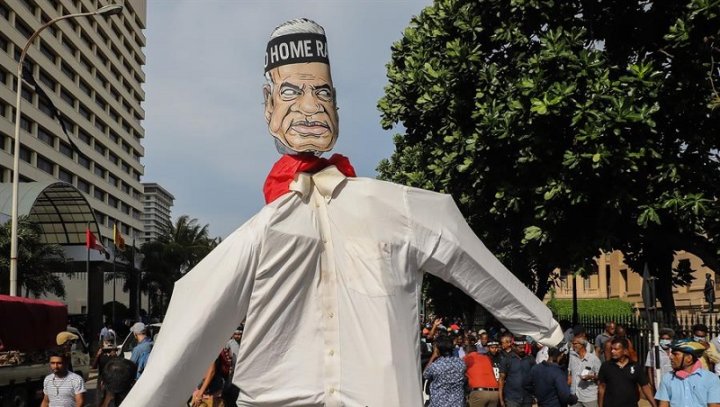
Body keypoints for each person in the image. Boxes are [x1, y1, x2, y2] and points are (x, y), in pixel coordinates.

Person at [121, 18, 563, 407]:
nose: (310, 107)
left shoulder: (394, 207)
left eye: (322, 93)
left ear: (336, 106)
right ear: (269, 107)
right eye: (291, 93)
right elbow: (194, 315)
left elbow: (461, 247)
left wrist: (539, 324)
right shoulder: (261, 233)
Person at [655, 339, 720, 407]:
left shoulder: (711, 379)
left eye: (675, 354)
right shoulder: (667, 378)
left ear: (689, 358)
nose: (670, 357)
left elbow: (714, 405)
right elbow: (663, 405)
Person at [598, 338, 657, 407]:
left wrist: (654, 405)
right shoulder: (606, 366)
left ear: (625, 351)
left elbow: (645, 387)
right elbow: (601, 388)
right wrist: (600, 405)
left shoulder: (635, 366)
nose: (612, 351)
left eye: (616, 349)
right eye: (611, 349)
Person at [423, 335, 466, 407]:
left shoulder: (436, 366)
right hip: (458, 403)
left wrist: (433, 356)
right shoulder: (461, 363)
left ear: (438, 349)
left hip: (439, 403)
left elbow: (425, 374)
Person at [499, 337, 535, 407]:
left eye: (524, 348)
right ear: (513, 346)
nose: (523, 350)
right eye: (520, 348)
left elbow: (535, 377)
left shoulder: (530, 359)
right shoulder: (506, 360)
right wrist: (501, 399)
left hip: (527, 398)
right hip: (512, 399)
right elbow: (501, 379)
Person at [568, 335, 601, 407]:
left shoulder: (594, 359)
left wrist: (591, 377)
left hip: (589, 397)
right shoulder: (572, 357)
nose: (572, 346)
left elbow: (601, 376)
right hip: (575, 397)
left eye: (574, 344)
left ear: (582, 345)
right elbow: (570, 373)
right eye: (572, 343)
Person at [465, 341, 500, 407]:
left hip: (479, 393)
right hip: (495, 393)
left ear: (466, 352)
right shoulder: (486, 358)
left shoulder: (467, 358)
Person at [221, 327, 242, 406]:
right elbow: (225, 351)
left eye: (239, 334)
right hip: (232, 367)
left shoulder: (244, 342)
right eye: (235, 334)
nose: (237, 336)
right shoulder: (230, 342)